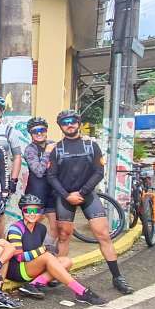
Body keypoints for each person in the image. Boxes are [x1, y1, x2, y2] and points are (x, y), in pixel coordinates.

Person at [47, 110, 134, 294]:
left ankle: (117, 277)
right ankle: (59, 273)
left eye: (72, 121)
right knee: (63, 236)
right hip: (65, 197)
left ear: (78, 123)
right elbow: (52, 176)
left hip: (88, 195)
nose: (69, 125)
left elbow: (98, 172)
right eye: (64, 122)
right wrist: (67, 195)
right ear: (60, 126)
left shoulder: (91, 145)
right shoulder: (56, 149)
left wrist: (82, 192)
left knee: (103, 235)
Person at [5, 195, 105, 305]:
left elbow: (38, 253)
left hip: (31, 266)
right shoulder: (15, 229)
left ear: (41, 212)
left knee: (66, 261)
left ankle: (33, 284)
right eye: (28, 210)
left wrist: (44, 252)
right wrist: (43, 250)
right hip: (17, 269)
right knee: (47, 256)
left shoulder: (41, 228)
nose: (32, 213)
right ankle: (81, 291)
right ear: (22, 211)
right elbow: (19, 257)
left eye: (36, 210)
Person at [22, 116, 58, 243]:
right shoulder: (30, 149)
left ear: (46, 131)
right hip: (35, 193)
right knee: (31, 226)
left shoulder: (54, 144)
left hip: (52, 192)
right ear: (31, 134)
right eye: (34, 131)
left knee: (55, 228)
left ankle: (46, 251)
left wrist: (84, 139)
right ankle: (29, 252)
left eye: (41, 130)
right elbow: (38, 171)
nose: (39, 133)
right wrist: (48, 153)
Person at [0, 95, 25, 203]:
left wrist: (14, 180)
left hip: (2, 178)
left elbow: (17, 156)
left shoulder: (10, 131)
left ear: (1, 111)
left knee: (1, 213)